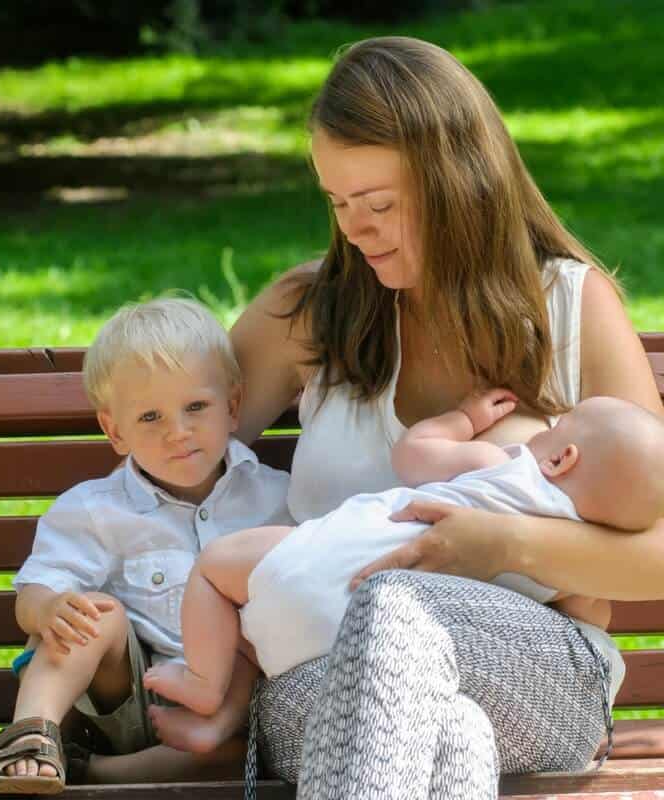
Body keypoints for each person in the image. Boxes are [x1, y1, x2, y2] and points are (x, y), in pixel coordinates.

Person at [225, 35, 664, 799]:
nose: (355, 230)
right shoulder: (309, 313)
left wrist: (504, 544)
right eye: (338, 204)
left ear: (459, 182)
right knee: (451, 731)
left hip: (536, 668)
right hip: (314, 671)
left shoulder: (570, 307)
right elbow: (172, 455)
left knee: (394, 605)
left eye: (380, 204)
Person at [142, 390, 664, 718]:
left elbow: (413, 455)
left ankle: (206, 684)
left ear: (561, 458)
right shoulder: (568, 568)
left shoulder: (505, 467)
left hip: (319, 572)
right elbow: (589, 620)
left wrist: (461, 417)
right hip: (350, 657)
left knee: (215, 567)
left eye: (555, 426)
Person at [0, 298, 292, 794]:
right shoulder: (95, 509)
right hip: (133, 702)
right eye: (151, 417)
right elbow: (34, 594)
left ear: (233, 406)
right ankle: (32, 734)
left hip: (233, 719)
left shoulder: (279, 499)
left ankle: (88, 772)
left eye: (196, 407)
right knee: (92, 613)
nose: (178, 432)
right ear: (115, 431)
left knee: (248, 741)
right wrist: (49, 608)